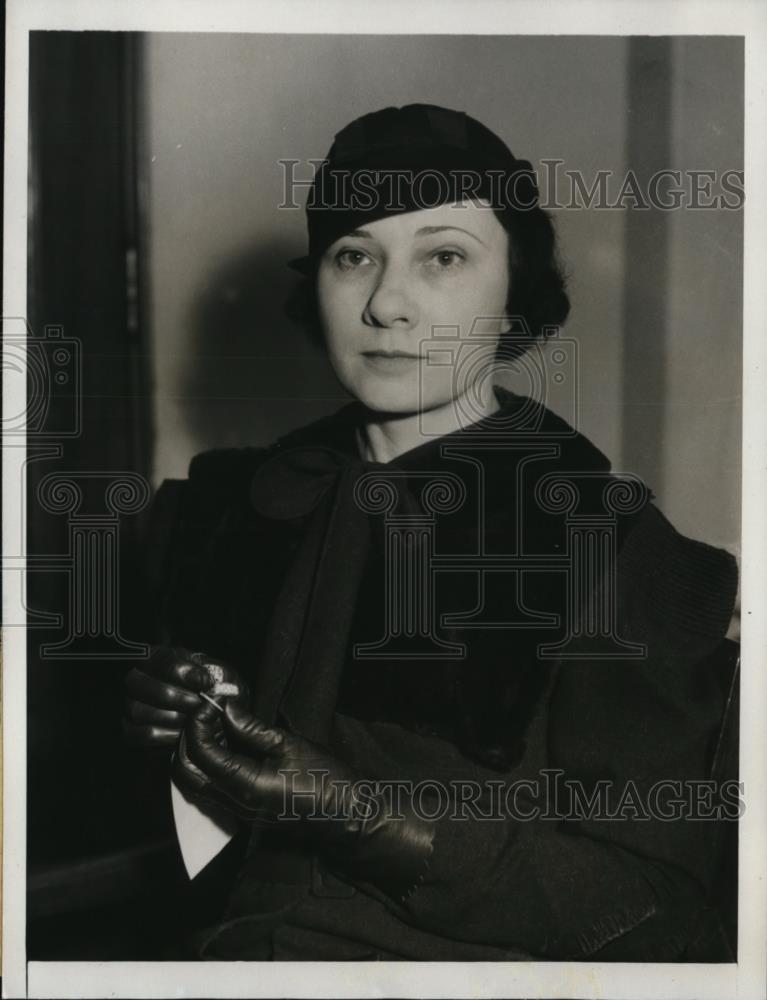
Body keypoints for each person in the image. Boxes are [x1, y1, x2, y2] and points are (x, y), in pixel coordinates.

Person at [123, 103, 740, 961]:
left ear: (514, 292)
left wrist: (360, 815)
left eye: (443, 256)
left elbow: (667, 918)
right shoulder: (232, 506)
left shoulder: (606, 541)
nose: (387, 303)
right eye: (354, 255)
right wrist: (170, 722)